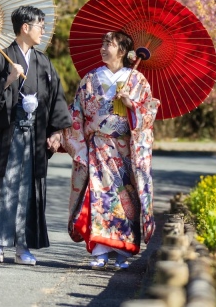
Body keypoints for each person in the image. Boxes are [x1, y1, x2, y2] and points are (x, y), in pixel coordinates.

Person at [0, 5, 71, 265]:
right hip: (8, 133)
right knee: (6, 187)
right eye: (40, 25)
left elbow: (56, 99)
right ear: (25, 28)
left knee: (29, 190)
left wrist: (57, 132)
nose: (43, 30)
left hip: (35, 136)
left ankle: (22, 247)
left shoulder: (43, 62)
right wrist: (8, 79)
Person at [61, 30, 159, 269]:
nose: (104, 48)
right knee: (101, 196)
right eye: (103, 43)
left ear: (123, 51)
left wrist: (132, 105)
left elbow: (149, 112)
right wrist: (81, 146)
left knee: (127, 198)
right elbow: (77, 114)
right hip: (100, 146)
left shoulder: (137, 81)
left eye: (110, 44)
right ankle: (100, 250)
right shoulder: (90, 79)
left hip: (126, 149)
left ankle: (122, 252)